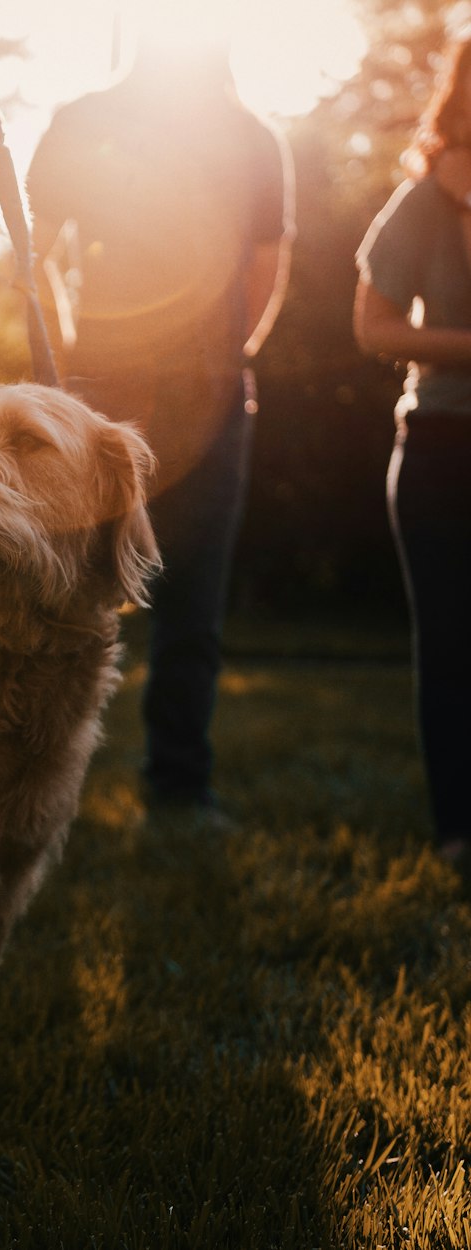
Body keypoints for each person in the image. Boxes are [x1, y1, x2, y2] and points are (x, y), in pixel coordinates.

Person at [25, 35, 294, 820]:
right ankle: (161, 786)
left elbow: (32, 256)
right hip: (114, 392)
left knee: (89, 588)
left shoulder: (246, 138)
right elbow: (267, 270)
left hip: (143, 384)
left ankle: (159, 781)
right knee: (119, 591)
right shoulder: (238, 136)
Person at [354, 35, 471, 869]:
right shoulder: (424, 201)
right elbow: (372, 327)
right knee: (452, 649)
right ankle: (461, 833)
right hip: (442, 449)